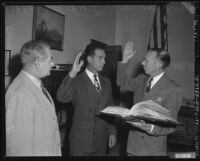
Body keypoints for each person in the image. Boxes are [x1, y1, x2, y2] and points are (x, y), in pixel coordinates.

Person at [117, 41, 183, 156]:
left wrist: (149, 127)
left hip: (152, 150)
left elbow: (170, 125)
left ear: (158, 64)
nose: (142, 63)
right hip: (132, 147)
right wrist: (125, 60)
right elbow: (121, 82)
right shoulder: (141, 79)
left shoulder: (173, 89)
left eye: (146, 60)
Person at [57, 43, 117, 156]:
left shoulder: (106, 82)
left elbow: (110, 108)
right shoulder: (76, 80)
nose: (104, 61)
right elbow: (62, 97)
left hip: (101, 139)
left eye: (105, 58)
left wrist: (112, 132)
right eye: (101, 58)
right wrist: (73, 72)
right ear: (89, 58)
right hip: (81, 140)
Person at [5, 40, 61, 156]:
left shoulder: (35, 84)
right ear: (37, 63)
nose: (52, 64)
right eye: (50, 59)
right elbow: (20, 149)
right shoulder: (20, 93)